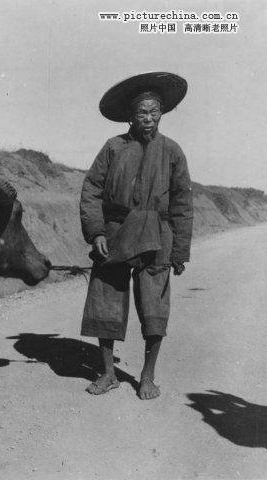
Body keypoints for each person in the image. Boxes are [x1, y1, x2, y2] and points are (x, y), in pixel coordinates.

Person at [80, 72, 193, 400]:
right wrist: (96, 231)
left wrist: (180, 250)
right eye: (142, 113)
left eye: (154, 112)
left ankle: (147, 376)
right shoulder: (114, 148)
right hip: (115, 234)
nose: (149, 118)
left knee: (154, 305)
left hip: (158, 235)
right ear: (130, 116)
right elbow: (91, 191)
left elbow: (183, 203)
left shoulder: (172, 151)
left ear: (162, 114)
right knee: (106, 300)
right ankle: (108, 373)